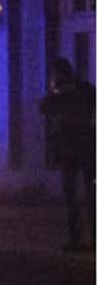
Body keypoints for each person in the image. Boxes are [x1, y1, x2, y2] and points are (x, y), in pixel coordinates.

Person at [39, 57, 96, 251]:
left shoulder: (61, 93)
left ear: (59, 74)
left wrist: (55, 90)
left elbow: (44, 107)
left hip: (71, 150)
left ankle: (76, 239)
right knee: (91, 195)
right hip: (88, 148)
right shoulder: (86, 89)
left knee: (72, 196)